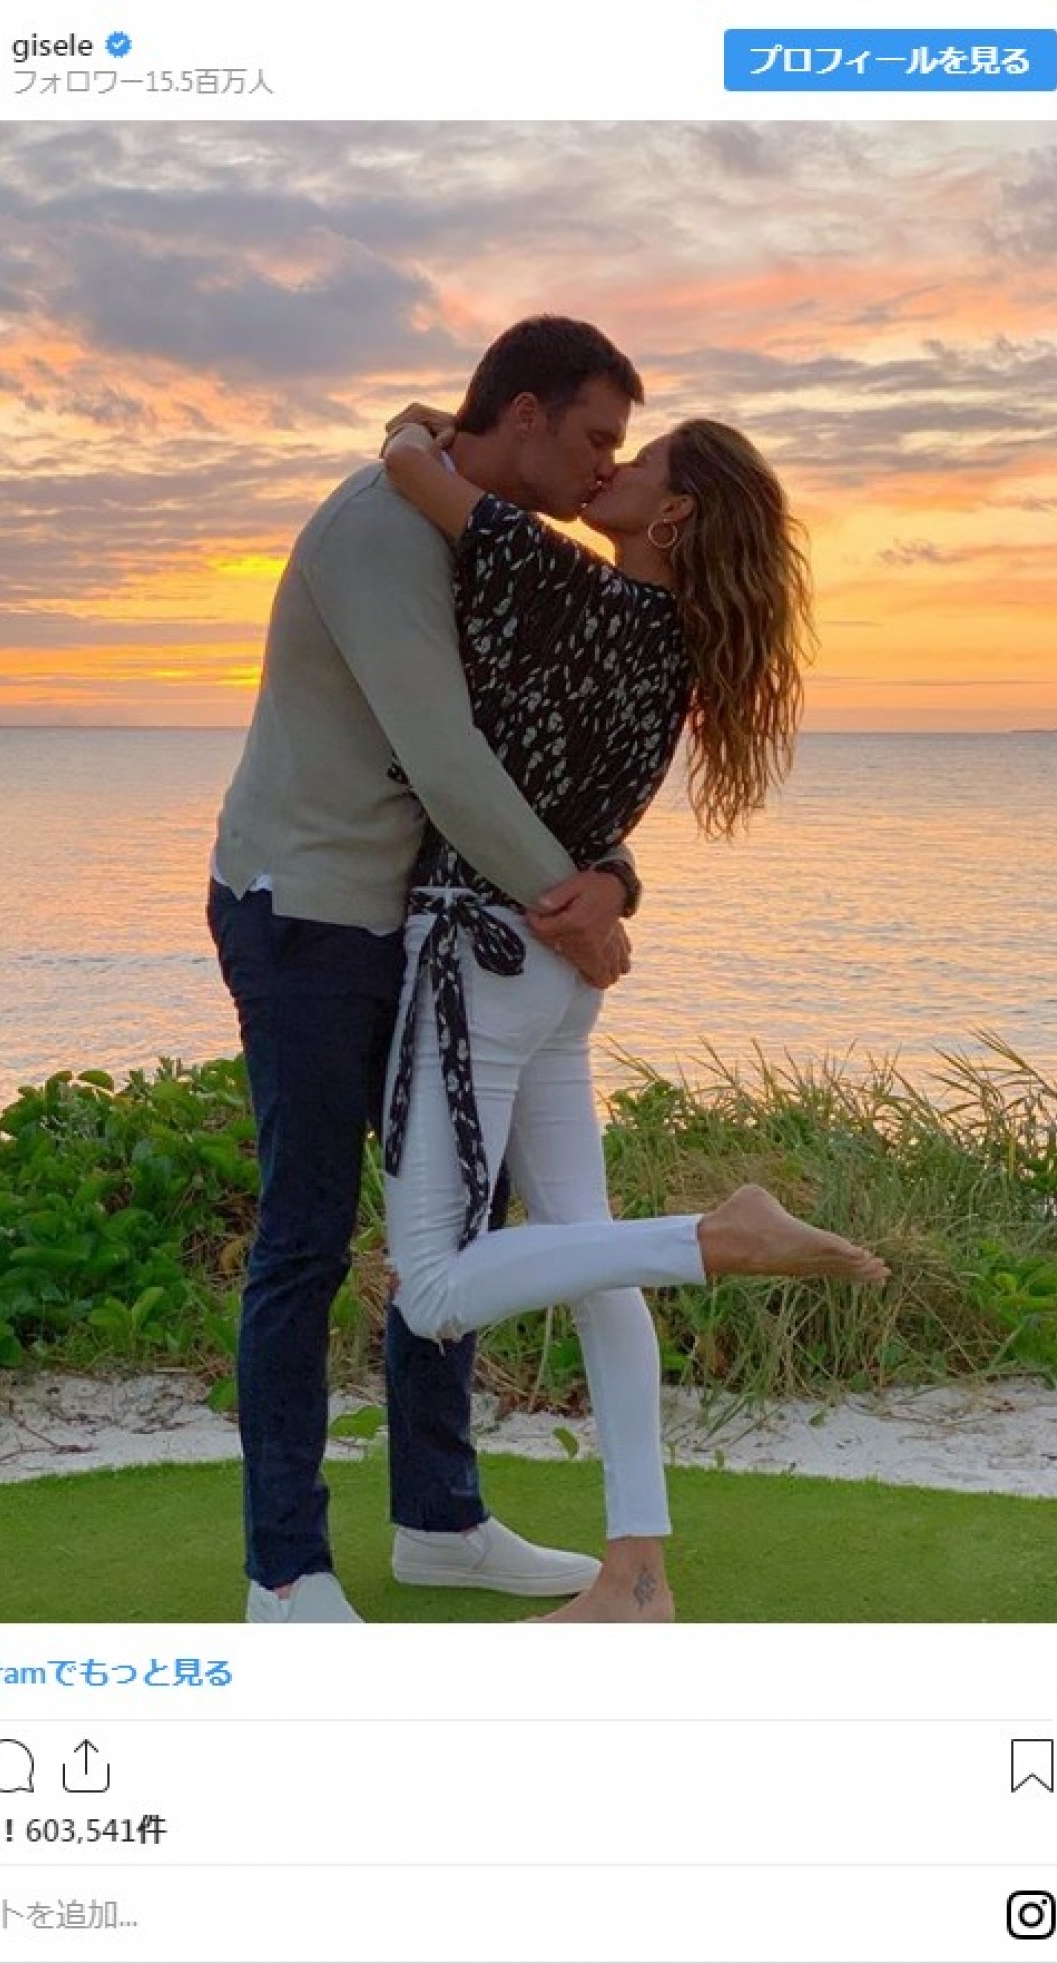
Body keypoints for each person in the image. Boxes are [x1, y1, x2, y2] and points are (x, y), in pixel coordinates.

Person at [380, 413, 890, 1622]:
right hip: (554, 977)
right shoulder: (673, 645)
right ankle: (637, 1571)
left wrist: (429, 429)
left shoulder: (573, 586)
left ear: (674, 512)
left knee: (433, 1288)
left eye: (641, 457)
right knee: (595, 1266)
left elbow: (407, 467)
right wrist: (617, 878)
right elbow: (590, 822)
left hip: (477, 959)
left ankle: (712, 1237)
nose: (611, 464)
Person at [208, 317, 651, 1623]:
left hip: (416, 927)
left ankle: (440, 1522)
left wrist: (611, 873)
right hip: (304, 910)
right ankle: (284, 1572)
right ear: (523, 414)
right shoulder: (379, 531)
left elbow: (544, 753)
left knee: (452, 1228)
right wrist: (574, 914)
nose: (603, 467)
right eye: (593, 437)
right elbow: (450, 758)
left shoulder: (487, 542)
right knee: (304, 1235)